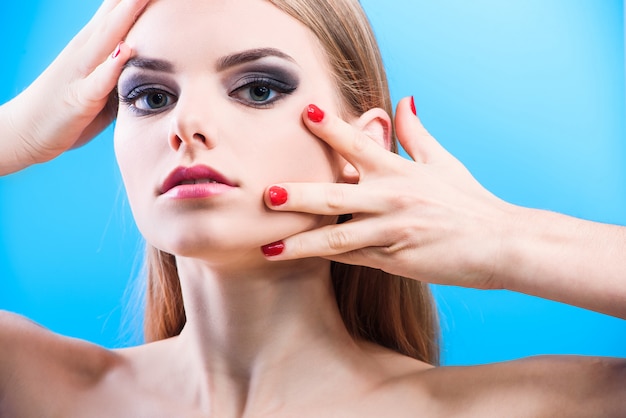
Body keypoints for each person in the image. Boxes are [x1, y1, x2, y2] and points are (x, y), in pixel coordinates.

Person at [0, 1, 624, 417]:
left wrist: (508, 241)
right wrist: (18, 131)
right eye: (150, 95)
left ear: (360, 150)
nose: (186, 124)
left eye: (258, 88)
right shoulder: (39, 388)